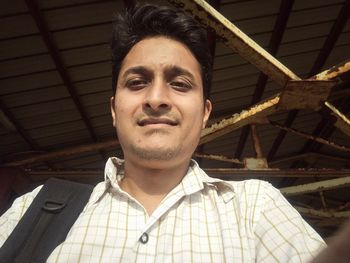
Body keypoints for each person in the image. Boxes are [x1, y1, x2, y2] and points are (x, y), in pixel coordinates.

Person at [0, 4, 328, 262]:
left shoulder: (255, 207)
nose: (156, 99)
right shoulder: (37, 207)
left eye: (180, 84)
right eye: (137, 82)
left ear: (205, 114)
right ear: (115, 109)